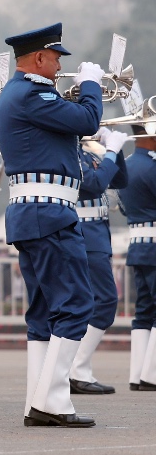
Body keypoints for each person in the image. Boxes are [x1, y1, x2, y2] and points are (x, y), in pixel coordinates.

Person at [0, 23, 102, 427]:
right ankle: (52, 402)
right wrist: (91, 86)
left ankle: (37, 399)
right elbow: (89, 120)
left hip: (35, 212)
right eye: (56, 57)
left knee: (44, 313)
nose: (60, 66)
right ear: (38, 58)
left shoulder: (23, 95)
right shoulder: (32, 93)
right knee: (75, 304)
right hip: (49, 213)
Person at [67, 130, 127, 394]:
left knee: (97, 302)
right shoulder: (70, 156)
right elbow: (93, 183)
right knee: (104, 300)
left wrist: (117, 148)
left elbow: (120, 180)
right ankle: (77, 370)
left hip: (97, 236)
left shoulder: (87, 154)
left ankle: (77, 369)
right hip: (84, 235)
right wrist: (111, 152)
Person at [123, 120, 156, 391]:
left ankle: (138, 375)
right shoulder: (152, 167)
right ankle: (152, 375)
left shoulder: (127, 164)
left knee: (143, 311)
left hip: (138, 243)